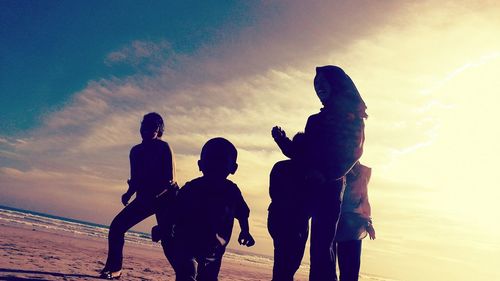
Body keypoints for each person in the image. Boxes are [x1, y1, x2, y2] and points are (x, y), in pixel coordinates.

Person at [272, 65, 367, 281]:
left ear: (337, 85)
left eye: (323, 83)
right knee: (292, 238)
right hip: (304, 187)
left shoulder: (352, 118)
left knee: (322, 245)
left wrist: (326, 174)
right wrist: (283, 141)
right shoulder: (314, 120)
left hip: (330, 189)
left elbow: (353, 151)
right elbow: (302, 154)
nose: (319, 88)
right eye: (316, 85)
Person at [161, 137, 255, 281]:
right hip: (187, 244)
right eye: (211, 161)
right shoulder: (191, 188)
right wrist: (163, 227)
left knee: (208, 277)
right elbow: (174, 211)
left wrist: (245, 231)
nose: (216, 166)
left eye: (222, 162)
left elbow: (242, 212)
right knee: (187, 272)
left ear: (233, 168)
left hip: (214, 250)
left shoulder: (232, 191)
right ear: (200, 164)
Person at [100, 112, 177, 279]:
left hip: (165, 200)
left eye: (153, 127)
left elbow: (170, 180)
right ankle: (115, 268)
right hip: (144, 199)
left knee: (168, 241)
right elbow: (135, 178)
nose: (147, 130)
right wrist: (128, 193)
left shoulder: (164, 147)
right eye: (144, 126)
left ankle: (186, 274)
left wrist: (157, 196)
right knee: (116, 228)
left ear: (159, 130)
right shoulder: (136, 151)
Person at [268, 132, 311, 281]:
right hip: (294, 221)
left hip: (278, 217)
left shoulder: (280, 167)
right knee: (288, 263)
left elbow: (273, 193)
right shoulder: (308, 172)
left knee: (283, 260)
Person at [334, 162, 375, 281]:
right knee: (329, 267)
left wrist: (368, 223)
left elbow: (364, 200)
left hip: (354, 227)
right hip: (334, 222)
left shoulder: (362, 175)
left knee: (351, 270)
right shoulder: (335, 169)